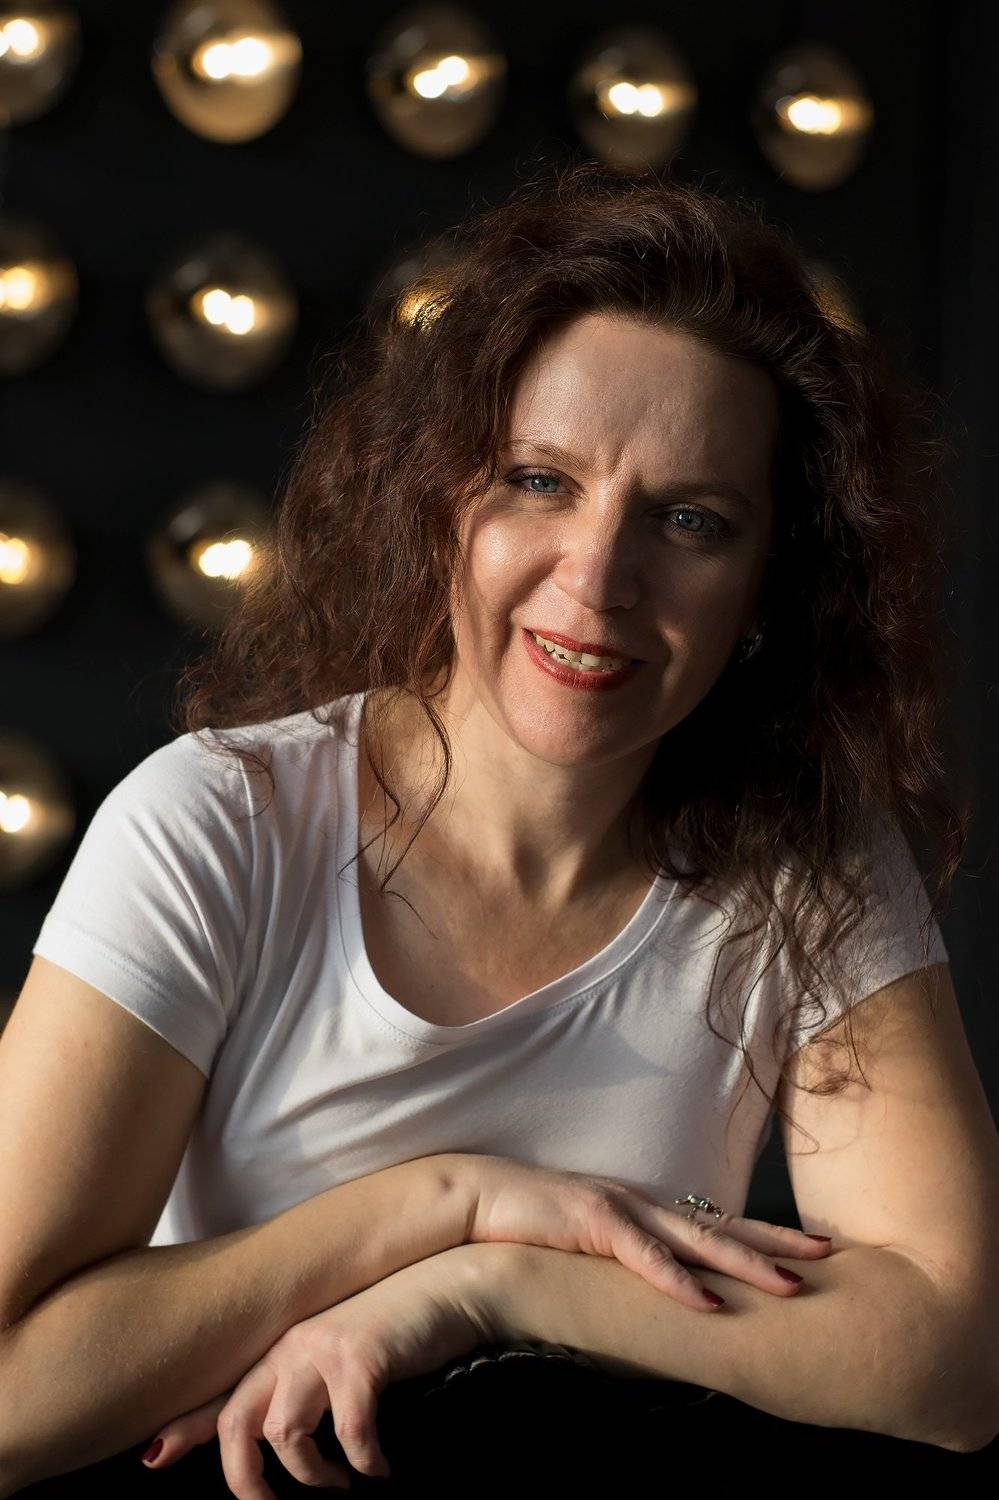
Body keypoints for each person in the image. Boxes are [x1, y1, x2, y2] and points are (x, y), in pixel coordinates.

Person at [6, 158, 986, 1495]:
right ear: (443, 498)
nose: (598, 579)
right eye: (539, 481)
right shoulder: (219, 824)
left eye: (690, 521)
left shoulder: (803, 858)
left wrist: (493, 1285)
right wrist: (439, 1202)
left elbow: (953, 1358)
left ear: (770, 585)